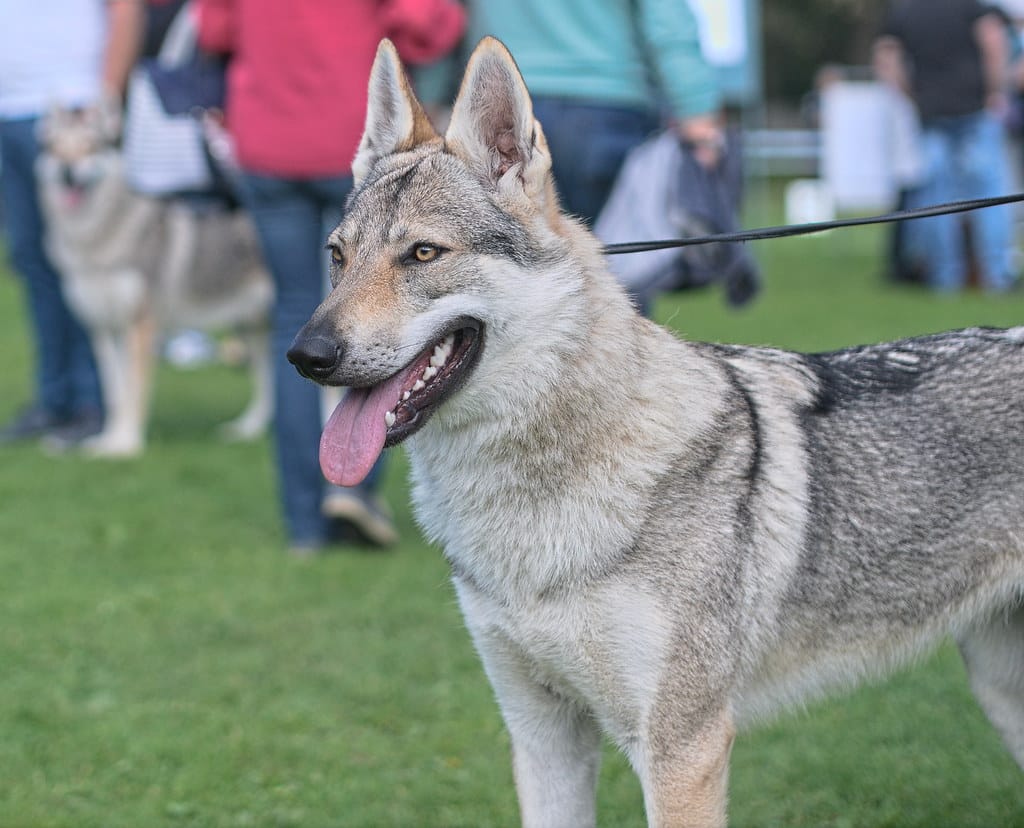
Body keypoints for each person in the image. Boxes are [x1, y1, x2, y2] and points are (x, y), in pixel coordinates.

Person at [196, 0, 465, 555]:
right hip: (356, 136)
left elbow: (214, 27)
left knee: (296, 320)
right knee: (367, 317)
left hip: (267, 139)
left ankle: (302, 521)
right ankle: (354, 491)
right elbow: (427, 26)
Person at [0, 0, 144, 444]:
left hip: (75, 108)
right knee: (32, 258)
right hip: (9, 111)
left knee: (90, 261)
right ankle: (55, 398)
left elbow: (126, 9)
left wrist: (106, 96)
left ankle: (93, 402)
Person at [452, 0, 724, 226]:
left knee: (516, 265)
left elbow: (443, 19)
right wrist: (697, 117)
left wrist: (431, 97)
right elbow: (669, 24)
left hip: (498, 113)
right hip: (606, 106)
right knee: (619, 265)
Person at [876, 0, 1018, 292]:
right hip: (975, 108)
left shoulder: (905, 10)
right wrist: (994, 90)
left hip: (931, 112)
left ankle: (943, 278)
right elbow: (993, 40)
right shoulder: (970, 4)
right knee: (988, 197)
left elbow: (886, 59)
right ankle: (998, 276)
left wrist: (910, 93)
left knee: (936, 201)